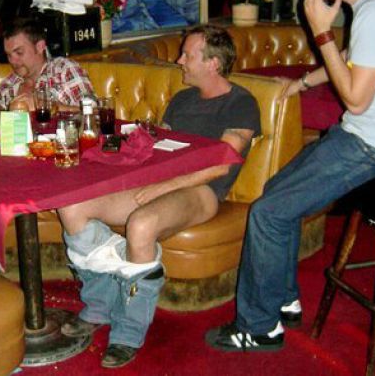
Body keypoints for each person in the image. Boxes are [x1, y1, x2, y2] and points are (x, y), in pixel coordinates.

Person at [206, 0, 375, 352]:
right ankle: (283, 298)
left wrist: (320, 29)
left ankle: (259, 327)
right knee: (276, 191)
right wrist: (303, 83)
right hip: (370, 135)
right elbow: (353, 57)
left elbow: (356, 100)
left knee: (268, 212)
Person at [56, 25, 261, 368]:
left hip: (202, 192)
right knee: (72, 205)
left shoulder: (241, 104)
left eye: (188, 55)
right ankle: (100, 304)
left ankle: (128, 331)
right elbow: (158, 146)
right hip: (160, 182)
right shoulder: (182, 99)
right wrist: (127, 143)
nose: (179, 60)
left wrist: (162, 188)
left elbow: (220, 166)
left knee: (142, 224)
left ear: (212, 63)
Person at [0, 17, 94, 112]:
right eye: (9, 55)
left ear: (40, 47)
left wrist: (46, 106)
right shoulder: (6, 87)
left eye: (19, 52)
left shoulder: (63, 70)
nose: (12, 61)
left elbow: (94, 112)